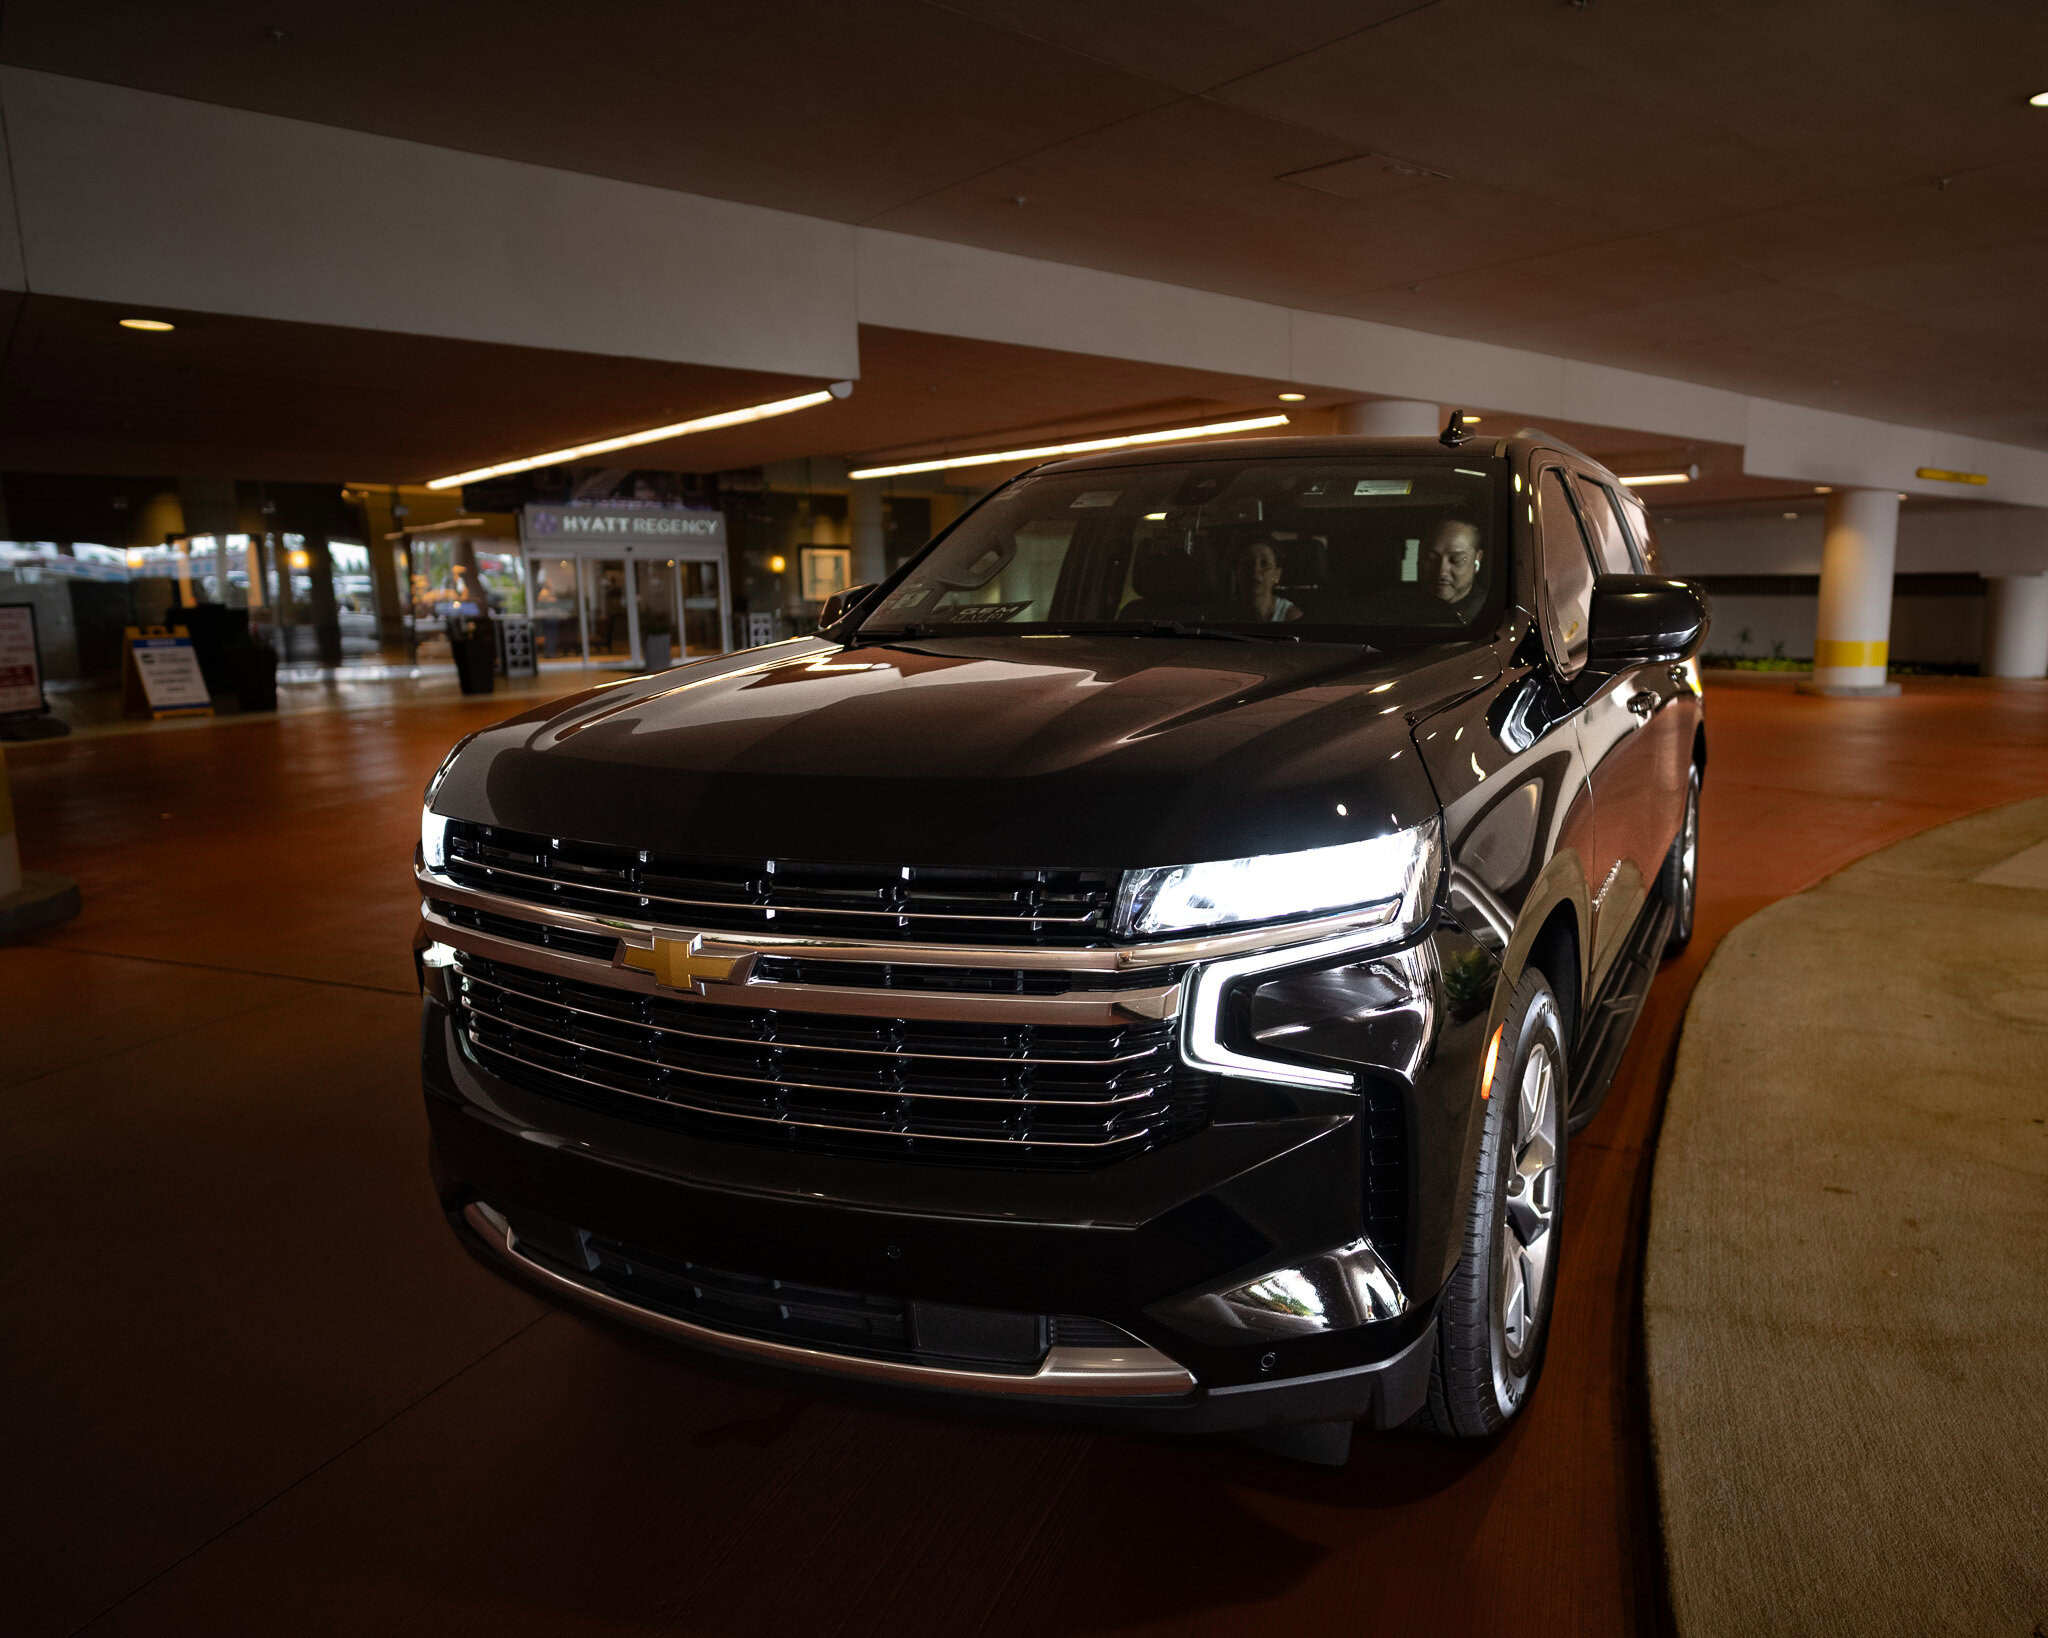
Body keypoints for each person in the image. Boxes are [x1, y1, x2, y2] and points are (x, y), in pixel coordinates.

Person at [1420, 519, 1486, 621]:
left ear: (1477, 559)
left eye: (1456, 560)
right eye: (1431, 558)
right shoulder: (1404, 609)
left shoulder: (1489, 614)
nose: (1441, 572)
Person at [1233, 538, 1304, 623]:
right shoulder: (1224, 610)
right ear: (1237, 572)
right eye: (1247, 563)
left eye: (1264, 563)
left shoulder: (1291, 616)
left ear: (1277, 575)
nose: (1255, 569)